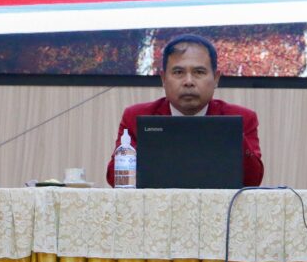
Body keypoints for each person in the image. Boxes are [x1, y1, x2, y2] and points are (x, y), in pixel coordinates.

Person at [105, 34, 264, 186]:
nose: (188, 82)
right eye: (178, 72)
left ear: (216, 78)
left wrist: (234, 135)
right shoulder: (136, 116)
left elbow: (253, 181)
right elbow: (115, 178)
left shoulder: (242, 118)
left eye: (199, 72)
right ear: (163, 79)